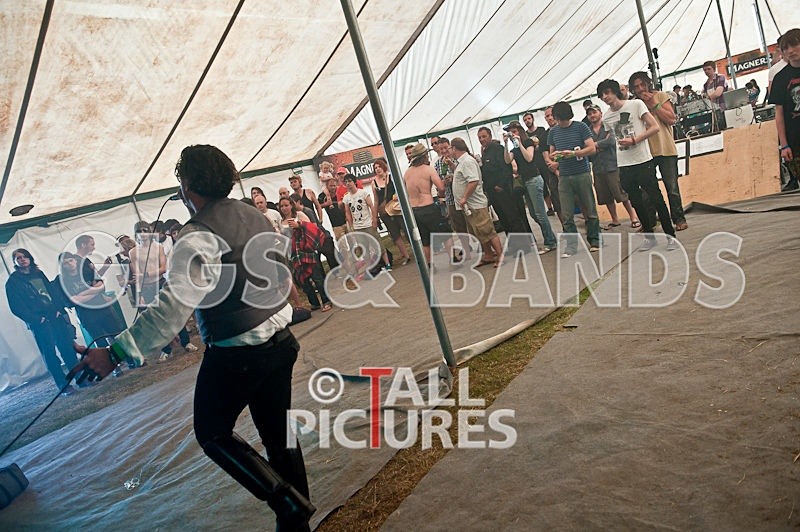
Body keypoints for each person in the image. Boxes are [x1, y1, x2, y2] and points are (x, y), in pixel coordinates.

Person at [73, 145, 315, 529]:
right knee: (278, 433)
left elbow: (172, 309)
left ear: (186, 186)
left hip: (238, 351)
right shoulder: (253, 213)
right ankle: (296, 518)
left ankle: (287, 503)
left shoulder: (197, 235)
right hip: (280, 340)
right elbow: (279, 269)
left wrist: (115, 352)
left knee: (212, 431)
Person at [597, 79, 677, 251]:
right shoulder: (607, 116)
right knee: (636, 202)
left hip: (643, 160)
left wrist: (635, 139)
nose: (605, 97)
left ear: (615, 91)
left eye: (608, 92)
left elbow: (654, 127)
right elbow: (612, 137)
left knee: (656, 199)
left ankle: (670, 236)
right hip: (624, 164)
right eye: (602, 95)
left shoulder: (636, 104)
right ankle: (649, 236)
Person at [6, 248, 81, 395]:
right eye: (18, 258)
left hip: (55, 317)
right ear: (15, 262)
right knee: (50, 355)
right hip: (40, 323)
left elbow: (52, 291)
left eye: (25, 256)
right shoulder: (13, 282)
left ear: (30, 258)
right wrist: (35, 319)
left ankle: (81, 378)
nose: (22, 259)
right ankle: (64, 386)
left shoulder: (38, 274)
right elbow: (16, 307)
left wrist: (59, 308)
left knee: (67, 349)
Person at [629, 71, 689, 231]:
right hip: (645, 152)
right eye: (636, 87)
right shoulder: (633, 104)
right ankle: (650, 222)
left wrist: (654, 105)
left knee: (672, 188)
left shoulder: (661, 96)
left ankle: (679, 219)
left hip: (665, 148)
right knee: (647, 192)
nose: (640, 89)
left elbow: (671, 119)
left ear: (648, 83)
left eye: (642, 84)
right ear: (632, 90)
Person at [542, 102, 599, 257]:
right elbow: (552, 152)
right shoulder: (553, 132)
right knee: (566, 213)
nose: (561, 123)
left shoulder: (581, 127)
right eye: (559, 119)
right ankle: (571, 246)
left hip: (582, 172)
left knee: (589, 208)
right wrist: (554, 160)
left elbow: (592, 148)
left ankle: (594, 240)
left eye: (562, 119)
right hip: (564, 176)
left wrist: (573, 153)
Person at [450, 137, 505, 266]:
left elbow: (473, 181)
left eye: (450, 148)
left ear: (454, 148)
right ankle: (488, 255)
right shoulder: (460, 162)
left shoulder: (467, 161)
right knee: (477, 232)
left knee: (486, 230)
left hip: (475, 204)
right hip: (468, 206)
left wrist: (464, 197)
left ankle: (500, 254)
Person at [505, 120, 557, 253]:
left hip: (534, 179)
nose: (513, 134)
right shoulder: (513, 149)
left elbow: (529, 158)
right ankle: (550, 236)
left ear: (520, 131)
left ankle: (550, 241)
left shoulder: (528, 142)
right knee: (534, 214)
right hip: (525, 181)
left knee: (540, 213)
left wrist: (520, 143)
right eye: (511, 132)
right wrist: (506, 143)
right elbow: (507, 160)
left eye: (515, 131)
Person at [585, 104, 639, 229]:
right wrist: (596, 146)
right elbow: (587, 148)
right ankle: (615, 219)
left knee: (621, 193)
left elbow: (612, 141)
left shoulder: (608, 125)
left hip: (613, 165)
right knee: (605, 196)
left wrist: (595, 145)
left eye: (594, 112)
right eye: (589, 113)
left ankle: (633, 217)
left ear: (600, 113)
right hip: (598, 168)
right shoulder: (587, 131)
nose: (592, 115)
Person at [279, 197, 332, 312]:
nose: (284, 208)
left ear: (291, 205)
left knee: (317, 278)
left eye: (286, 205)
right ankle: (314, 303)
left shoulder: (300, 215)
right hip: (293, 254)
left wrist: (299, 225)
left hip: (307, 252)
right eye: (282, 206)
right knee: (304, 281)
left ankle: (326, 301)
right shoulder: (281, 221)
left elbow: (313, 229)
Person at [402, 143, 447, 264]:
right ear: (424, 156)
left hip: (415, 210)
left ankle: (428, 262)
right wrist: (444, 186)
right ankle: (453, 256)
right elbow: (441, 187)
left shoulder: (407, 173)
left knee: (425, 239)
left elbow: (404, 193)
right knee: (445, 234)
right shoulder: (428, 169)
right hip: (429, 207)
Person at [769, 28, 800, 190]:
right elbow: (779, 114)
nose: (790, 51)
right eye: (786, 48)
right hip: (795, 140)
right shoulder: (780, 78)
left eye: (794, 45)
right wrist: (784, 145)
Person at [342, 173, 391, 272]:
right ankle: (371, 268)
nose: (348, 184)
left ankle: (387, 264)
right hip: (358, 227)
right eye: (346, 182)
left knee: (378, 244)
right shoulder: (346, 198)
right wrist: (351, 226)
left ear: (354, 182)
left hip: (368, 224)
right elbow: (347, 212)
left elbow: (372, 206)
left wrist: (374, 220)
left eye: (350, 181)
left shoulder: (363, 193)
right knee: (364, 248)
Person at [371, 158, 411, 265]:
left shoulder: (391, 176)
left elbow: (403, 188)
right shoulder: (374, 183)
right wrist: (374, 217)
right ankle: (406, 255)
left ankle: (416, 250)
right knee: (395, 234)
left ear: (383, 166)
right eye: (375, 168)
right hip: (385, 212)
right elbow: (375, 200)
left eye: (379, 166)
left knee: (406, 230)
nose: (378, 169)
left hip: (397, 209)